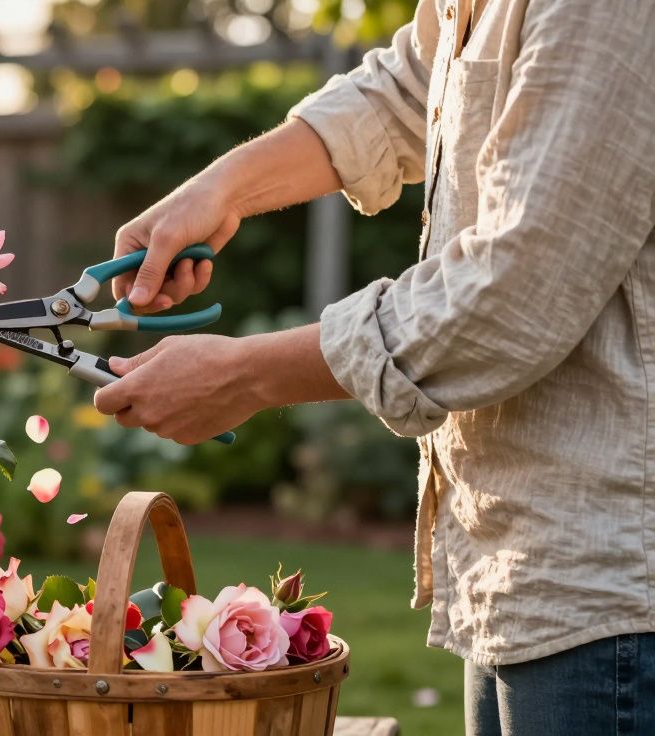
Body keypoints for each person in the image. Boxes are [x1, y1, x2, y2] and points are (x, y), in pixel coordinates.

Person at [92, 1, 654, 733]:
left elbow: (512, 292)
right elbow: (413, 85)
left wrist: (245, 376)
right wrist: (222, 188)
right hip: (521, 565)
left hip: (613, 585)